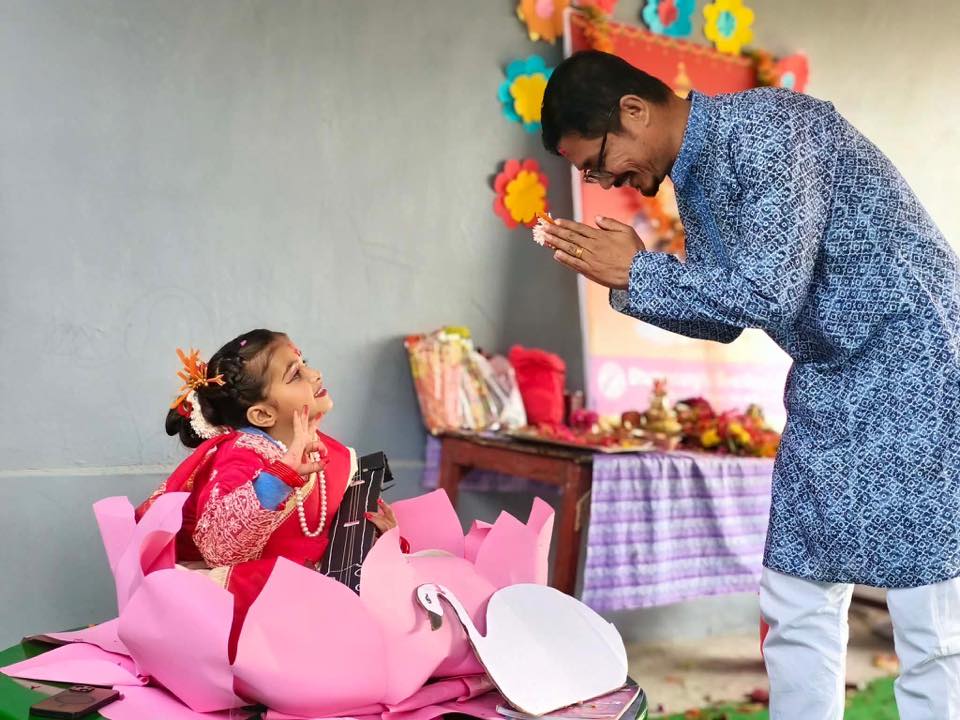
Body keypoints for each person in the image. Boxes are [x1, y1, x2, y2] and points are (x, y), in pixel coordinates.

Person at [538, 50, 960, 718]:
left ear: (634, 111)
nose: (600, 179)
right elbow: (727, 316)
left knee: (928, 611)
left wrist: (640, 273)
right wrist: (627, 280)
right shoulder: (695, 174)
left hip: (915, 361)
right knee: (796, 590)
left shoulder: (770, 128)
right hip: (829, 376)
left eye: (596, 161)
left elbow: (768, 291)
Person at [137, 328, 399, 657]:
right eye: (295, 374)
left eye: (305, 363)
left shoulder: (330, 452)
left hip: (317, 596)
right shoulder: (241, 455)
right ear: (262, 414)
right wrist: (279, 478)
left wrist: (382, 538)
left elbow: (340, 537)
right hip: (254, 609)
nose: (315, 374)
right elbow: (220, 548)